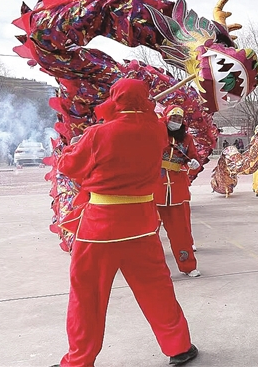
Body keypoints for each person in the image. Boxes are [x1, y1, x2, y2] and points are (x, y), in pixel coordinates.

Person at [56, 79, 198, 366]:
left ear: (115, 98)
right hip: (142, 226)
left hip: (99, 228)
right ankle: (179, 346)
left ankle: (79, 360)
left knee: (87, 297)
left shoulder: (98, 134)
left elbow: (69, 167)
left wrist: (74, 146)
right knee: (157, 289)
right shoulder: (156, 132)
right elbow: (156, 122)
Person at [156, 105, 201, 277]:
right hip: (155, 187)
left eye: (179, 119)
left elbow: (194, 157)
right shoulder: (157, 134)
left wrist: (194, 164)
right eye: (173, 118)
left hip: (176, 188)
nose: (176, 122)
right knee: (149, 233)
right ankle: (154, 269)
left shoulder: (187, 138)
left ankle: (188, 265)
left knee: (180, 232)